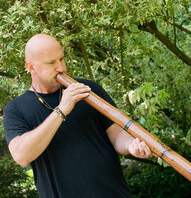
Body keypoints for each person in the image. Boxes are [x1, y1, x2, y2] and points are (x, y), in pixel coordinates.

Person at [3, 34, 151, 198]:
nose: (61, 67)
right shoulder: (15, 109)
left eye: (61, 59)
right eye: (51, 63)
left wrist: (131, 145)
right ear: (31, 67)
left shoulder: (88, 90)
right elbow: (22, 156)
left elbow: (116, 133)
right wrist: (62, 109)